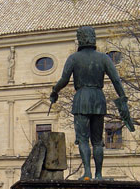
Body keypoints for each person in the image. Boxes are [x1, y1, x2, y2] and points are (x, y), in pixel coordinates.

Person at [49, 25, 134, 180]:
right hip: (98, 98)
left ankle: (87, 172)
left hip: (81, 98)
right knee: (97, 140)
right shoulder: (104, 58)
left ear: (80, 39)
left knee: (83, 139)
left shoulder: (74, 58)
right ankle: (99, 174)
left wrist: (55, 91)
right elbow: (116, 80)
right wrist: (122, 98)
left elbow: (64, 79)